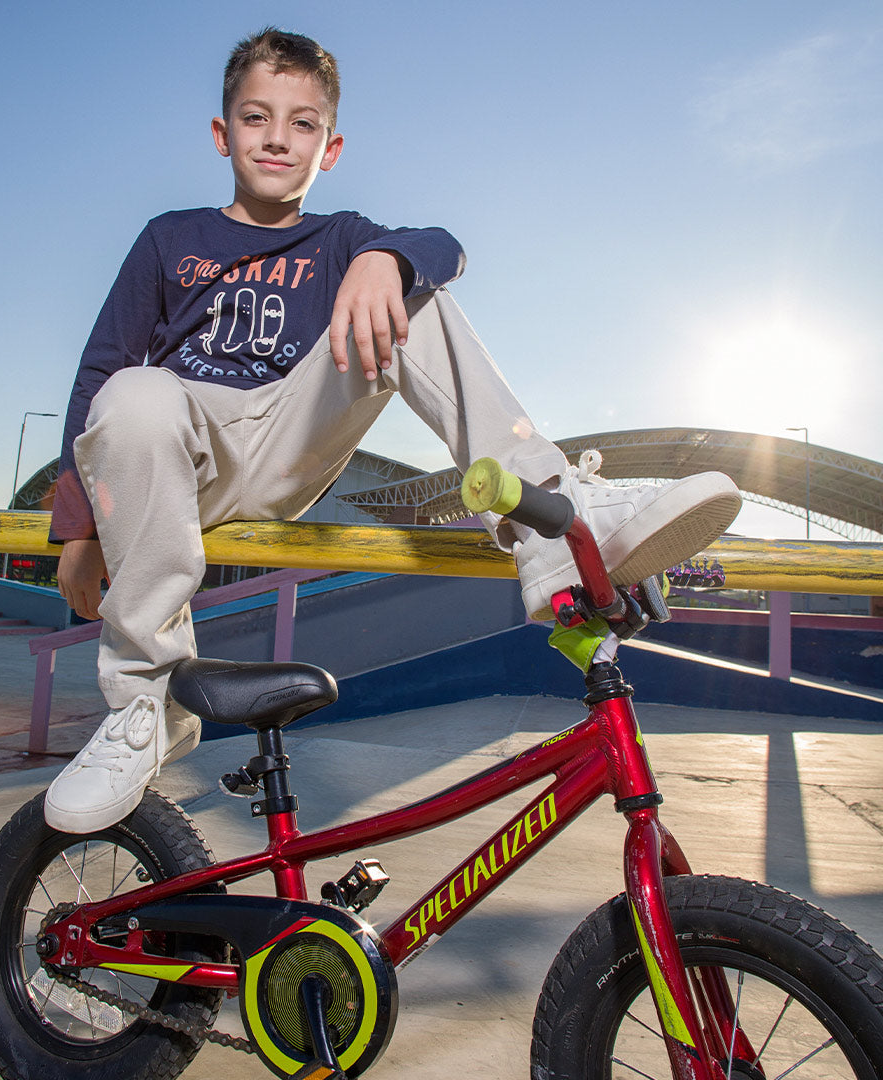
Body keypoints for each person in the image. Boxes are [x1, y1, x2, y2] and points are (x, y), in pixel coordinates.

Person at [44, 28, 741, 833]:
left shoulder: (339, 238)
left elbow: (446, 246)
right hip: (177, 453)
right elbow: (98, 371)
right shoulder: (171, 238)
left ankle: (552, 517)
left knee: (411, 290)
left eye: (302, 123)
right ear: (221, 133)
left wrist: (385, 259)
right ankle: (146, 703)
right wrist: (81, 527)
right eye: (255, 117)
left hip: (289, 439)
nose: (277, 138)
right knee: (132, 393)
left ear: (330, 148)